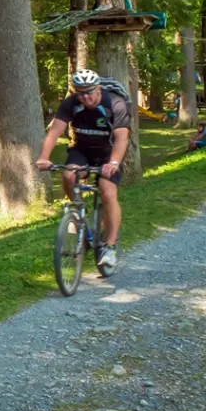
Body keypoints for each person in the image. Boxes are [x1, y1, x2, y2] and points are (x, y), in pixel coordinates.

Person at [35, 69, 132, 276]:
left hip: (108, 154)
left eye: (89, 92)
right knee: (69, 175)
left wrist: (114, 161)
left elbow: (122, 138)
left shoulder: (115, 104)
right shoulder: (71, 103)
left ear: (98, 88)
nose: (85, 97)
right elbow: (55, 132)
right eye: (80, 93)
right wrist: (44, 157)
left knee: (107, 191)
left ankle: (110, 246)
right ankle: (78, 215)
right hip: (82, 151)